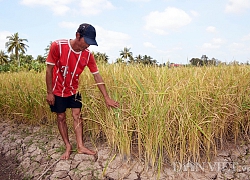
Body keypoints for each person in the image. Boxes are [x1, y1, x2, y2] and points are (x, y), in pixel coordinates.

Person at [45, 23, 119, 160]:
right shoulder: (58, 46)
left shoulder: (87, 55)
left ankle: (80, 146)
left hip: (74, 89)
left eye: (91, 43)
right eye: (87, 42)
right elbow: (49, 69)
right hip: (57, 89)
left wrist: (107, 98)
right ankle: (68, 145)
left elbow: (96, 75)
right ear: (78, 35)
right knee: (61, 116)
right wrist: (50, 92)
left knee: (77, 115)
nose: (88, 46)